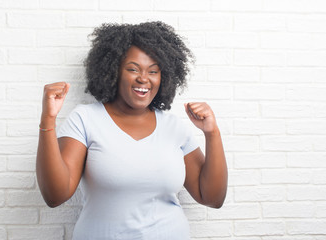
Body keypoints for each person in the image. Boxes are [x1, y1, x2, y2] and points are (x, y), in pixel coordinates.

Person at [36, 21, 227, 240]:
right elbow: (55, 196)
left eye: (153, 71)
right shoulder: (85, 119)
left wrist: (212, 134)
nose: (143, 78)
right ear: (113, 71)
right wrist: (48, 119)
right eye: (133, 69)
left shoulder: (175, 126)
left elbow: (212, 197)